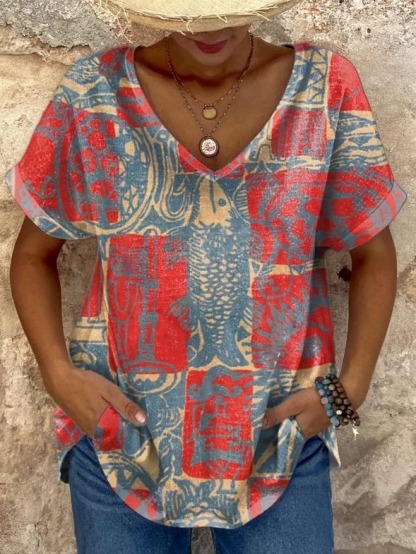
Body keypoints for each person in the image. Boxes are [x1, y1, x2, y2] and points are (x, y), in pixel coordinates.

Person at [5, 0, 407, 552]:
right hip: (120, 439)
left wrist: (346, 393)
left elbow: (374, 253)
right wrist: (58, 376)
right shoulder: (94, 93)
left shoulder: (325, 90)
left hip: (280, 440)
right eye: (192, 11)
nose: (212, 28)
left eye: (227, 8)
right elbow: (33, 255)